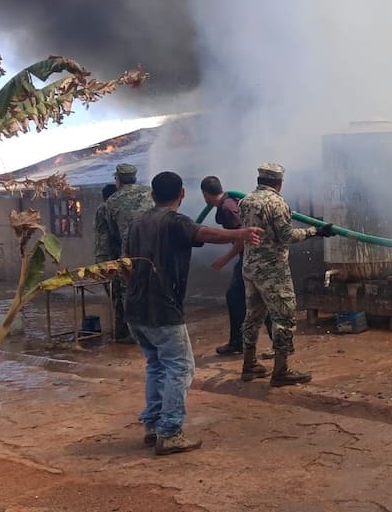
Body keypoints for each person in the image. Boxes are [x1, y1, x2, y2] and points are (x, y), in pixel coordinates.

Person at [125, 170, 263, 455]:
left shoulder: (137, 222)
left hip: (135, 308)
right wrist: (241, 233)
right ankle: (171, 432)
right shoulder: (175, 221)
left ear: (152, 195)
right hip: (163, 308)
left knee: (156, 366)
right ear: (182, 194)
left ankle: (152, 426)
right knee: (180, 367)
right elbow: (204, 233)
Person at [238, 162, 334, 386]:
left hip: (250, 267)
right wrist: (315, 231)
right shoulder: (277, 202)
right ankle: (281, 371)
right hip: (272, 270)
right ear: (279, 182)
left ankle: (249, 365)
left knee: (253, 316)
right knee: (284, 318)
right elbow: (286, 236)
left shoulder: (245, 201)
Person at [200, 175, 272, 356]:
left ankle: (240, 343)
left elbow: (243, 236)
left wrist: (225, 258)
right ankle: (240, 342)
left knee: (248, 299)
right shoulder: (229, 202)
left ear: (205, 194)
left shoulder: (228, 208)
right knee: (249, 298)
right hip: (249, 258)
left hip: (250, 258)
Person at [94, 163, 155, 343]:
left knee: (125, 295)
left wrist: (102, 265)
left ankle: (132, 335)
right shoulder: (151, 193)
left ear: (118, 180)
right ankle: (155, 332)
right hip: (157, 256)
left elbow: (105, 239)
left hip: (128, 259)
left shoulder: (110, 203)